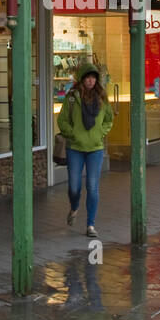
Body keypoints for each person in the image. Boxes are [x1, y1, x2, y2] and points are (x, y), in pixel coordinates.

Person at [56, 62, 113, 238]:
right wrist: (72, 134)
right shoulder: (72, 96)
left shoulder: (102, 98)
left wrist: (100, 134)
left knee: (92, 187)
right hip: (75, 148)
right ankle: (74, 207)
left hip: (95, 148)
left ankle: (90, 225)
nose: (91, 80)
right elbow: (62, 119)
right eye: (88, 77)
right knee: (74, 187)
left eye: (93, 77)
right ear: (82, 79)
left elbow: (109, 120)